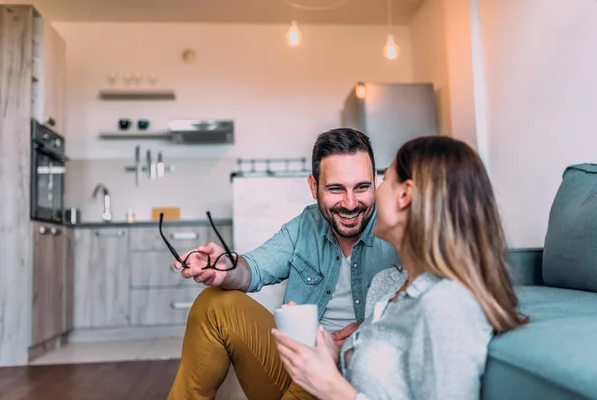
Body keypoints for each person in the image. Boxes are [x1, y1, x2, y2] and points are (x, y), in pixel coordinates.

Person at [272, 135, 528, 400]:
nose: (363, 198)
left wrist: (331, 388)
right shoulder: (388, 284)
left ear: (404, 195)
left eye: (383, 180)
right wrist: (332, 354)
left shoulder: (447, 304)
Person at [167, 128, 400, 400]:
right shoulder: (305, 226)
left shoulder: (398, 227)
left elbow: (425, 303)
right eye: (336, 189)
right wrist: (224, 267)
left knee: (318, 358)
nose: (350, 203)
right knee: (214, 305)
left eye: (361, 187)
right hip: (300, 363)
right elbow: (252, 269)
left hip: (356, 376)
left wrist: (365, 330)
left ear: (375, 181)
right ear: (313, 186)